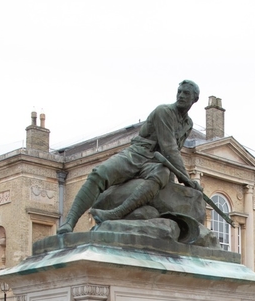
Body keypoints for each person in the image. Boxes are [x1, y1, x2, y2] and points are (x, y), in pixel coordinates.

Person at [57, 80, 203, 234]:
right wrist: (187, 179)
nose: (180, 95)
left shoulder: (188, 124)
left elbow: (173, 152)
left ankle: (117, 213)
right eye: (179, 91)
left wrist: (177, 181)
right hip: (138, 153)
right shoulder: (164, 111)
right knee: (99, 173)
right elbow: (170, 148)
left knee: (163, 173)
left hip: (155, 162)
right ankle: (69, 222)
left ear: (195, 99)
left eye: (186, 93)